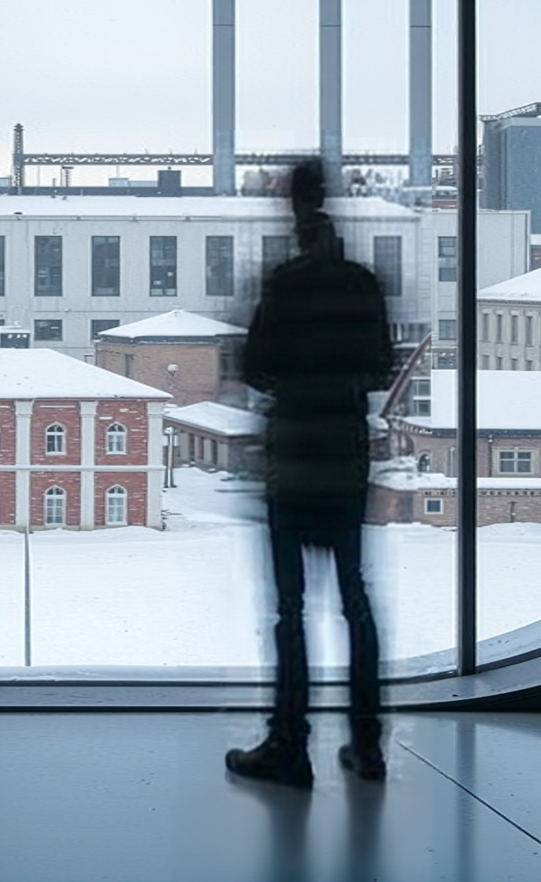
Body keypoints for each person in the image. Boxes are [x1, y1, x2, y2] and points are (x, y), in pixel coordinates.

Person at [226, 159, 397, 787]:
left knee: (290, 609)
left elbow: (254, 367)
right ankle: (368, 745)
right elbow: (381, 365)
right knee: (356, 602)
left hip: (294, 459)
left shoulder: (284, 283)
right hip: (345, 458)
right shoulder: (362, 283)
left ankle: (289, 747)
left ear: (288, 206)